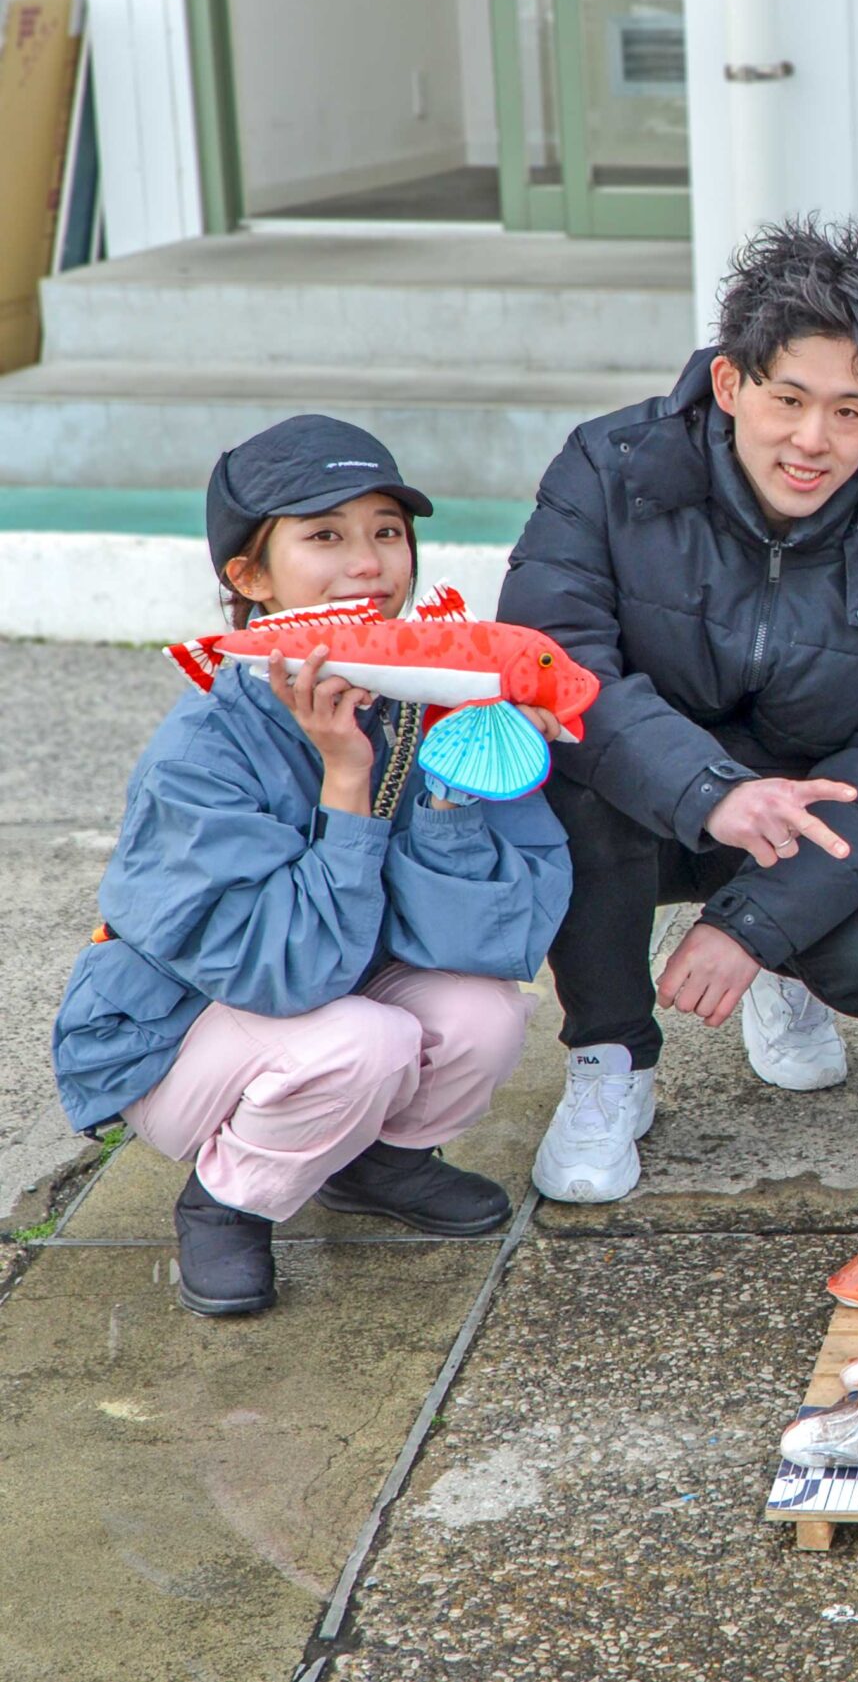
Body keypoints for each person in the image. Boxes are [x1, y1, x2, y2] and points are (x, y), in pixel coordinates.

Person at [501, 218, 858, 1203]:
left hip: (788, 824)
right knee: (564, 768)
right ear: (730, 385)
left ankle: (787, 975)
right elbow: (551, 664)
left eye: (849, 411)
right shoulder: (609, 468)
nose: (813, 440)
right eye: (788, 399)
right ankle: (610, 1057)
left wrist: (756, 927)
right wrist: (707, 789)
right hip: (638, 806)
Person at [51, 417, 572, 1315]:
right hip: (181, 1033)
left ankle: (375, 1162)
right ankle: (226, 1202)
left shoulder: (437, 703)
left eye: (387, 531)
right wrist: (345, 779)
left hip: (339, 990)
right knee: (363, 1042)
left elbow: (498, 936)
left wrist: (453, 788)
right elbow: (291, 974)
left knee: (483, 1016)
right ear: (248, 578)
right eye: (324, 535)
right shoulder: (201, 752)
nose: (368, 563)